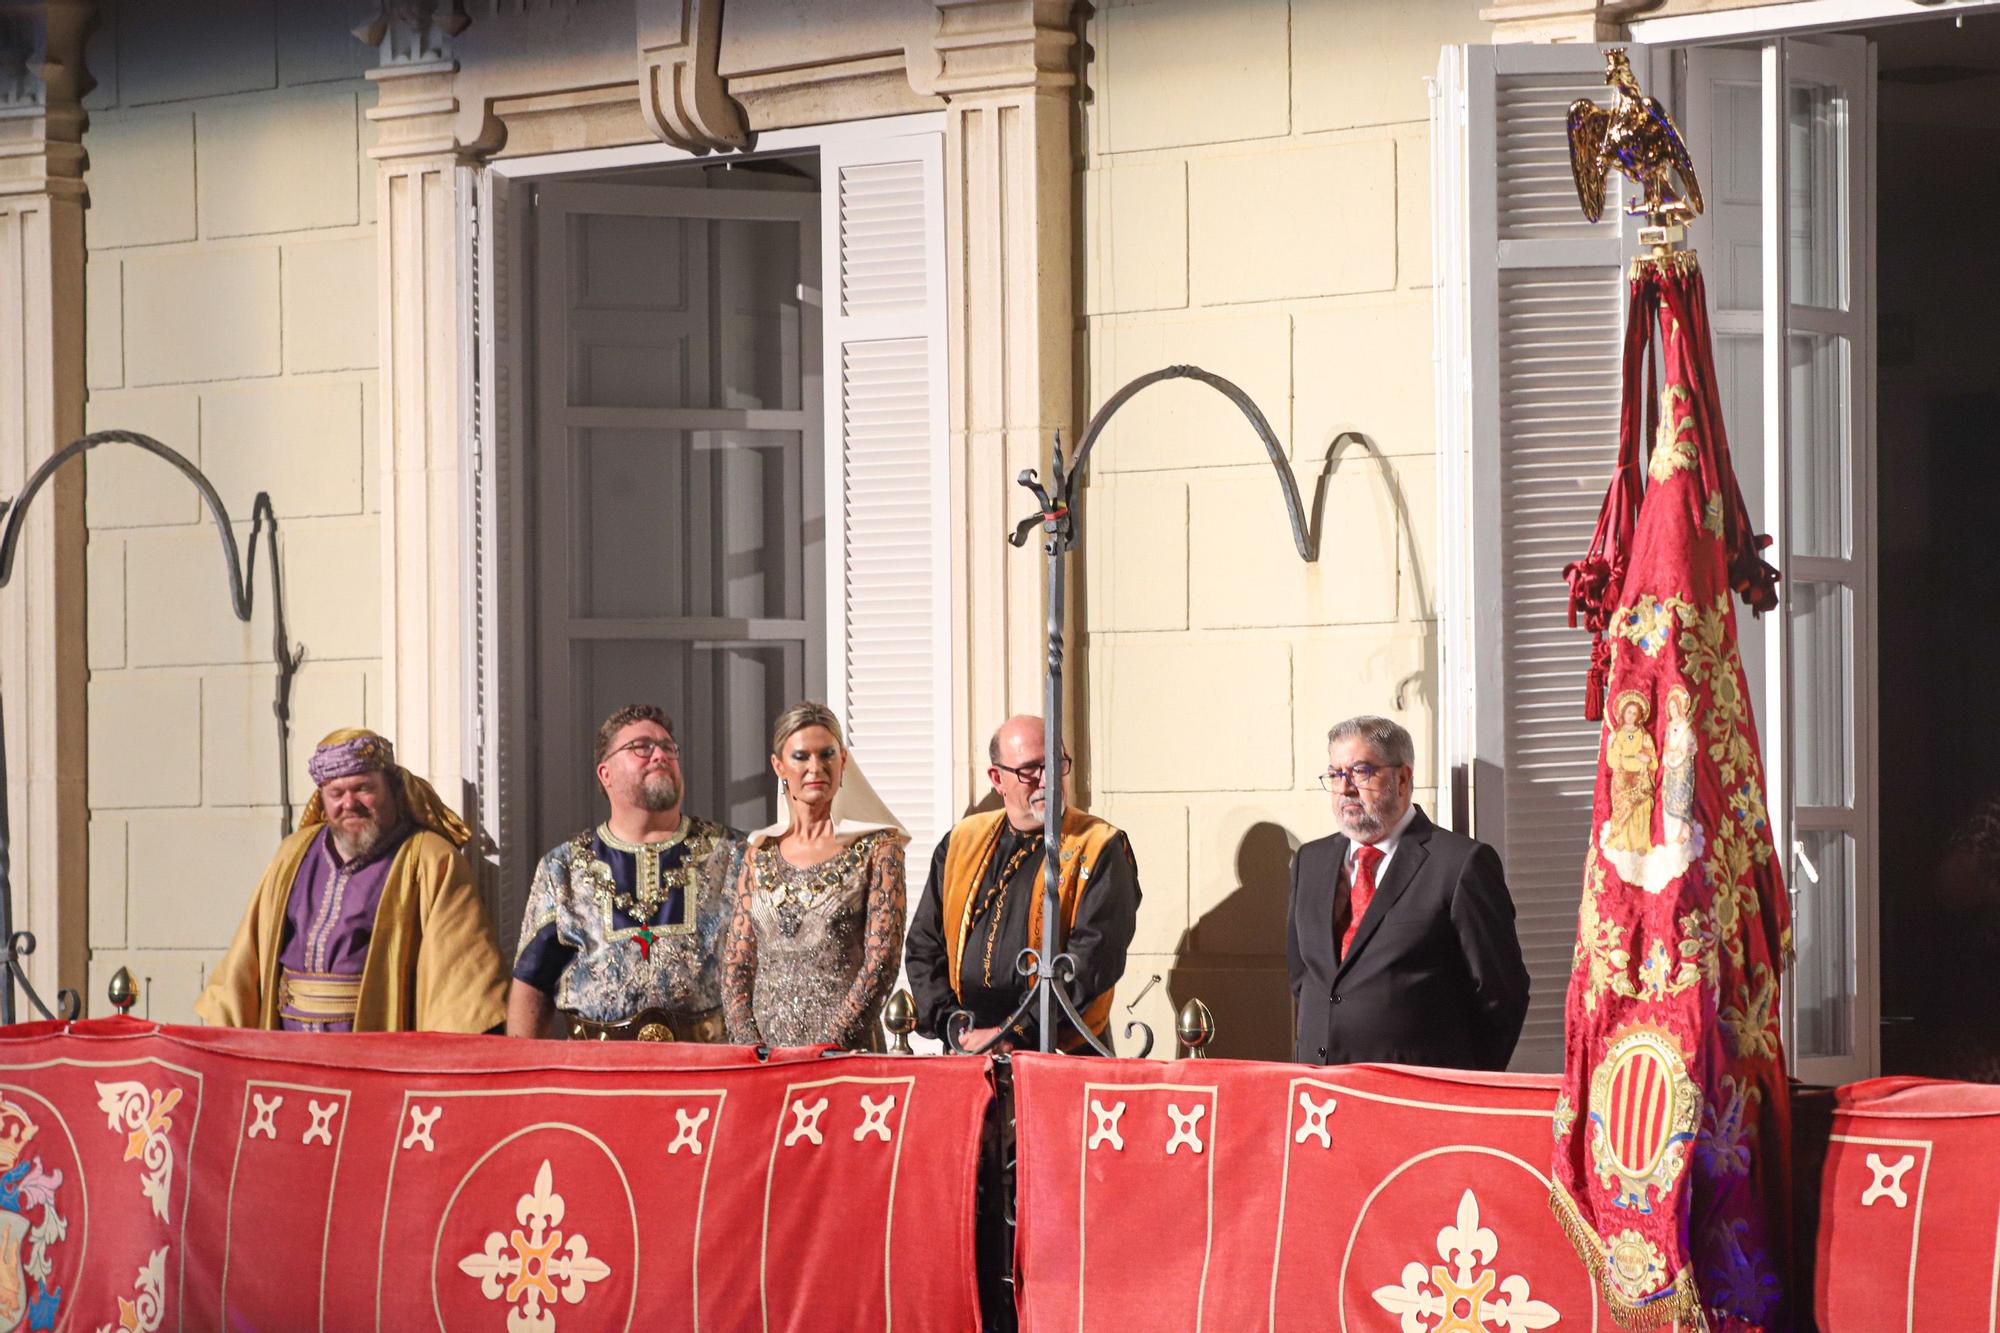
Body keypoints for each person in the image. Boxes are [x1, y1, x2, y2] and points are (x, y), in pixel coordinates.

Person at [196, 728, 507, 1033]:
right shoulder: (293, 853)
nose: (349, 803)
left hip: (373, 1049)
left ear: (392, 789)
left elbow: (460, 976)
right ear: (322, 799)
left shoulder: (431, 859)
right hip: (289, 1053)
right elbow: (248, 953)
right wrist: (223, 1027)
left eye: (363, 788)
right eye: (336, 793)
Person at [1286, 715, 1529, 1070]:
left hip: (1414, 1098)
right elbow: (1303, 978)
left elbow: (1501, 994)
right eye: (1336, 774)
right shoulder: (1311, 860)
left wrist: (1465, 1089)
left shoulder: (1460, 864)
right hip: (1320, 1094)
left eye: (1361, 772)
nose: (1346, 788)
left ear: (1402, 778)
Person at [507, 705, 744, 1041]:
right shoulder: (564, 868)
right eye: (641, 747)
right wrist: (527, 1081)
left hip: (709, 1069)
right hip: (597, 1077)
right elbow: (532, 984)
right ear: (606, 773)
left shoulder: (733, 853)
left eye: (668, 747)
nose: (660, 755)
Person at [906, 715, 1140, 1053]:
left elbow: (1092, 962)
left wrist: (1011, 1032)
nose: (1047, 781)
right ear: (997, 778)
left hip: (1060, 1049)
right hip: (966, 1047)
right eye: (1030, 770)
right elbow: (923, 946)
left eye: (1056, 765)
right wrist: (953, 1025)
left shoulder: (1100, 845)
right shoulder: (961, 842)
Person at [721, 702, 907, 1049]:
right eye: (801, 757)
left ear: (843, 761)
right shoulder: (758, 854)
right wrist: (751, 1046)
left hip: (845, 1057)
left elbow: (881, 964)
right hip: (765, 1059)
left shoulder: (880, 849)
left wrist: (826, 1047)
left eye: (827, 754)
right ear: (779, 766)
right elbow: (737, 963)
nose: (815, 767)